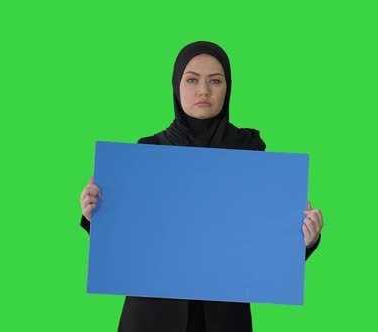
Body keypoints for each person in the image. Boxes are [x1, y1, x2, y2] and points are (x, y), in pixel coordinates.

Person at [78, 41, 324, 332]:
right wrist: (97, 215)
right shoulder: (148, 151)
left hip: (223, 315)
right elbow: (129, 241)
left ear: (228, 88)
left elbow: (265, 245)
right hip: (152, 313)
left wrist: (306, 239)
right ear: (176, 85)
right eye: (192, 79)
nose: (203, 91)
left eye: (215, 81)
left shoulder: (250, 153)